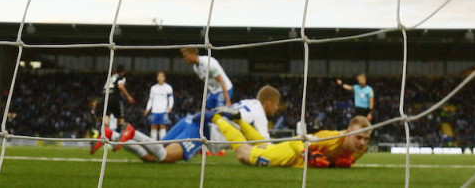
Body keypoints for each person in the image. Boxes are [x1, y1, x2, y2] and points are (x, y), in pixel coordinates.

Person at [96, 85, 282, 163]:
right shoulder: (260, 114)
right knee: (164, 157)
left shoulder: (248, 103)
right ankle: (132, 132)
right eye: (276, 104)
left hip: (193, 119)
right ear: (268, 102)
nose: (277, 109)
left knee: (152, 156)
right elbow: (266, 146)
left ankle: (111, 135)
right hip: (204, 129)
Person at [216, 114, 372, 169]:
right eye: (358, 137)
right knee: (243, 154)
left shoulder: (361, 149)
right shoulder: (329, 138)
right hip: (287, 155)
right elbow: (297, 140)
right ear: (347, 133)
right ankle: (216, 117)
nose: (362, 143)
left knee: (262, 144)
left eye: (366, 139)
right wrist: (306, 154)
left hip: (295, 161)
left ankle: (239, 119)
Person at [96, 66, 135, 141]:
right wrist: (128, 96)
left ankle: (103, 138)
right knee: (121, 119)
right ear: (123, 72)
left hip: (105, 97)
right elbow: (120, 86)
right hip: (114, 98)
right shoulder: (120, 77)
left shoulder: (110, 78)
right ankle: (121, 139)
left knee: (106, 119)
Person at [145, 71, 174, 140]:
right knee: (153, 126)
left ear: (164, 78)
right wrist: (147, 108)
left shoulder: (168, 87)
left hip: (163, 110)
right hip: (154, 110)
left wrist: (170, 107)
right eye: (159, 76)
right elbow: (150, 99)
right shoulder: (153, 88)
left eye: (162, 76)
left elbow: (171, 98)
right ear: (157, 78)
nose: (160, 78)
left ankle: (162, 143)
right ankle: (153, 143)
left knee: (162, 126)